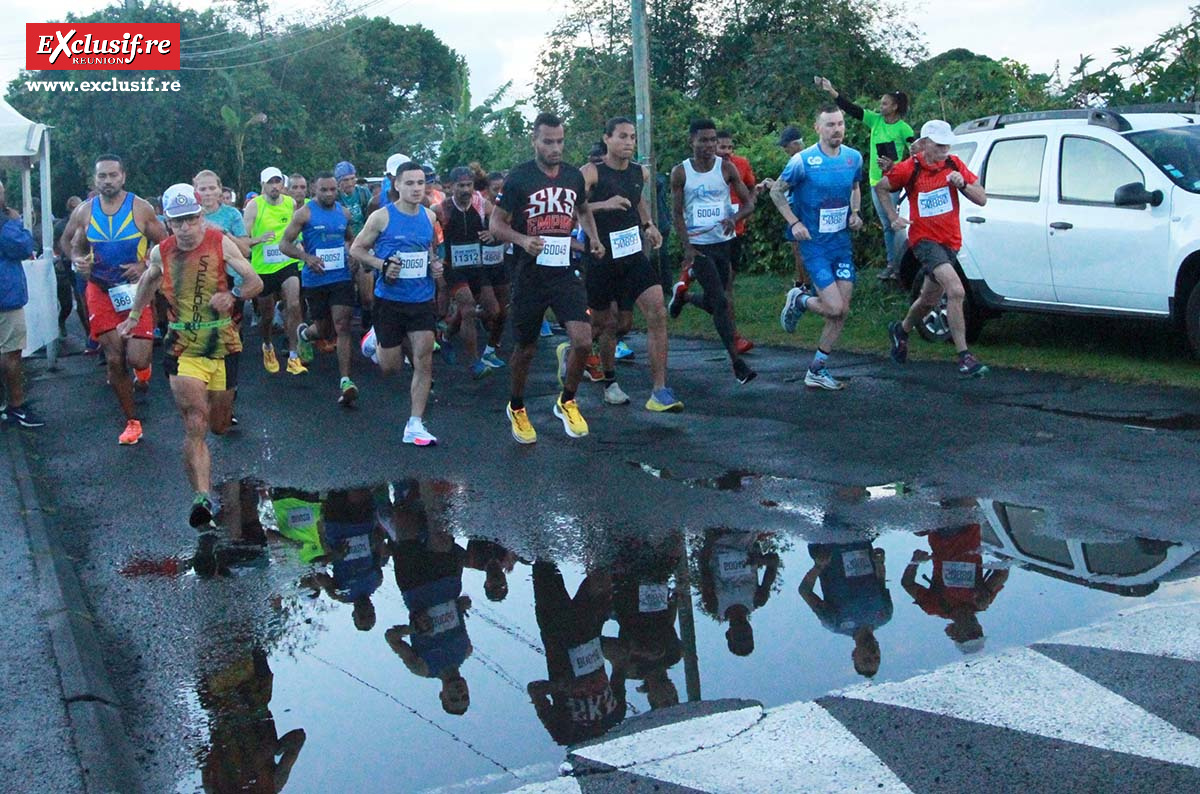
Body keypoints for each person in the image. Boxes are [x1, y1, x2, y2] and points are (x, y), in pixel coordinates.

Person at [118, 183, 263, 528]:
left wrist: (235, 295)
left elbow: (255, 281)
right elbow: (148, 282)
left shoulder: (220, 242)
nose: (185, 228)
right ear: (167, 222)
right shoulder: (161, 252)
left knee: (219, 424)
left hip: (223, 343)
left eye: (191, 219)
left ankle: (221, 415)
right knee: (195, 421)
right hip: (183, 347)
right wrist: (135, 317)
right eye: (177, 221)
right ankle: (201, 497)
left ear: (201, 215)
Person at [489, 112, 606, 444]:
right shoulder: (519, 179)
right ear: (535, 141)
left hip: (564, 272)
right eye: (548, 142)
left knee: (583, 340)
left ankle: (567, 400)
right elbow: (496, 225)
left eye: (560, 141)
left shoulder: (573, 176)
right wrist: (523, 240)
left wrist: (592, 238)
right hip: (529, 275)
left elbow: (582, 209)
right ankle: (517, 406)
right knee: (525, 348)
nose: (556, 148)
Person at [581, 116, 680, 412]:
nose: (628, 142)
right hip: (601, 256)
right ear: (607, 139)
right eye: (622, 136)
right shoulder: (591, 173)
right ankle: (605, 377)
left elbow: (637, 201)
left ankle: (659, 391)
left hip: (632, 254)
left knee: (656, 312)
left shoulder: (640, 173)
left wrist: (648, 224)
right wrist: (605, 205)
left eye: (632, 137)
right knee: (605, 323)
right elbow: (575, 209)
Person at [68, 154, 167, 445]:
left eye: (113, 175)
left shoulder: (141, 208)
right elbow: (74, 245)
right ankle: (132, 421)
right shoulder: (85, 211)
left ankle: (143, 370)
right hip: (100, 291)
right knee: (114, 359)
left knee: (137, 358)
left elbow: (165, 243)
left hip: (135, 292)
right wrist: (79, 261)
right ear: (95, 179)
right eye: (102, 176)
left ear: (123, 176)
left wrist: (145, 265)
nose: (108, 181)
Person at [878, 120, 990, 377]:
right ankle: (964, 356)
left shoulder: (954, 164)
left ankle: (902, 330)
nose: (944, 150)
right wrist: (892, 216)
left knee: (928, 299)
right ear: (926, 143)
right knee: (956, 289)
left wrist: (962, 184)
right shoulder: (910, 168)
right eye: (939, 145)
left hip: (950, 241)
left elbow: (982, 198)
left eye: (947, 145)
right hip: (924, 241)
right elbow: (882, 187)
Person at [769, 105, 865, 390]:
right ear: (817, 128)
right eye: (830, 125)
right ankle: (799, 300)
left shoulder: (853, 158)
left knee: (842, 311)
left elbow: (855, 187)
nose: (837, 129)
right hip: (814, 246)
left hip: (841, 243)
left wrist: (855, 213)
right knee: (834, 308)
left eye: (840, 124)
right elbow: (776, 191)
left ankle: (817, 369)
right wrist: (794, 221)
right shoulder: (803, 161)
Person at [350, 161, 442, 446]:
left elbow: (430, 252)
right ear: (397, 185)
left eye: (420, 183)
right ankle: (375, 339)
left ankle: (415, 423)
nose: (416, 188)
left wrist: (435, 267)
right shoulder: (381, 217)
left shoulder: (429, 217)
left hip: (422, 299)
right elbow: (356, 249)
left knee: (423, 358)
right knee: (391, 369)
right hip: (389, 300)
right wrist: (382, 264)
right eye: (410, 183)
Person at [668, 119, 756, 384]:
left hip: (723, 243)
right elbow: (677, 213)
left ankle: (684, 297)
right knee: (719, 301)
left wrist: (736, 216)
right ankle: (737, 363)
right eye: (703, 140)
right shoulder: (681, 172)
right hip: (699, 246)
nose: (708, 145)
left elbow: (749, 202)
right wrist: (688, 248)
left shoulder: (726, 168)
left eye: (712, 140)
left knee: (718, 301)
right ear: (691, 141)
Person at [816, 76, 915, 279]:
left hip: (893, 184)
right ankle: (893, 264)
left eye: (885, 103)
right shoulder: (875, 120)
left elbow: (915, 155)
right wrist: (831, 90)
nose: (881, 106)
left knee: (895, 223)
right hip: (874, 181)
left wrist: (895, 166)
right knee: (887, 225)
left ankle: (901, 266)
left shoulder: (903, 128)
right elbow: (851, 108)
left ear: (895, 107)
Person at [279, 172, 359, 405]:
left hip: (341, 277)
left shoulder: (344, 213)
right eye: (324, 190)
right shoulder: (304, 213)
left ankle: (345, 380)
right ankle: (305, 334)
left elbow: (350, 238)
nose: (329, 194)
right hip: (316, 279)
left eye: (333, 189)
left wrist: (352, 254)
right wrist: (306, 257)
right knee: (323, 329)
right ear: (315, 189)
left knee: (342, 326)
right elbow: (284, 244)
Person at [528, 561, 625, 744]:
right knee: (601, 576)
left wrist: (561, 687)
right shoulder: (616, 717)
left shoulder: (566, 735)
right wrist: (616, 653)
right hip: (590, 633)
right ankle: (594, 539)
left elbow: (534, 690)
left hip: (557, 636)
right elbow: (620, 668)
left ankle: (537, 536)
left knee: (543, 563)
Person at [902, 523, 1009, 654]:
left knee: (927, 520)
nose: (974, 629)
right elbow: (1002, 571)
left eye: (970, 635)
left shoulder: (935, 606)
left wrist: (915, 562)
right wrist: (988, 589)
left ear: (955, 634)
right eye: (979, 632)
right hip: (970, 530)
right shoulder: (982, 601)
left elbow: (908, 584)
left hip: (939, 536)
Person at [243, 166, 306, 375]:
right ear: (262, 185)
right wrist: (258, 239)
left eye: (277, 182)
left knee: (294, 304)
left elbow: (296, 229)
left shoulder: (290, 203)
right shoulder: (254, 206)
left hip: (287, 262)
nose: (274, 186)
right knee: (267, 315)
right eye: (270, 182)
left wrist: (298, 243)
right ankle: (268, 345)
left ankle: (294, 354)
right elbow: (243, 241)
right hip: (263, 267)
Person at [799, 539, 892, 678]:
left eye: (867, 659)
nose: (873, 654)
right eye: (877, 658)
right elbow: (880, 582)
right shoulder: (885, 615)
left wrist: (818, 566)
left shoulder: (835, 623)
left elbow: (805, 591)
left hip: (828, 543)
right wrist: (879, 563)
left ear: (854, 654)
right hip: (860, 540)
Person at [435, 166, 494, 378]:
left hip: (477, 266)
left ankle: (447, 334)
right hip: (454, 267)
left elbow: (501, 218)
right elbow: (425, 226)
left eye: (469, 185)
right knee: (468, 308)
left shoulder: (480, 204)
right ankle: (474, 362)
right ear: (450, 187)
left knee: (493, 310)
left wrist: (491, 231)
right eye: (461, 185)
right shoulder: (441, 208)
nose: (465, 189)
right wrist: (434, 256)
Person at [0, 182, 43, 428]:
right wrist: (17, 222)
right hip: (6, 296)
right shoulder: (6, 226)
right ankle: (16, 406)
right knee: (11, 353)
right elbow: (25, 247)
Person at [716, 130, 758, 354]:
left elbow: (751, 187)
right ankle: (734, 337)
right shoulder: (702, 169)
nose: (726, 152)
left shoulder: (740, 164)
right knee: (724, 288)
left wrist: (745, 209)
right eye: (722, 147)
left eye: (729, 147)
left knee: (726, 284)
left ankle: (686, 294)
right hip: (711, 234)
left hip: (735, 231)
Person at [335, 161, 377, 334]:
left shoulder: (363, 193)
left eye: (352, 178)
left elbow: (369, 219)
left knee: (367, 293)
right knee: (344, 290)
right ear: (338, 182)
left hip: (363, 242)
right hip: (342, 243)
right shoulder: (336, 197)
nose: (350, 183)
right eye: (345, 180)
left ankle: (368, 315)